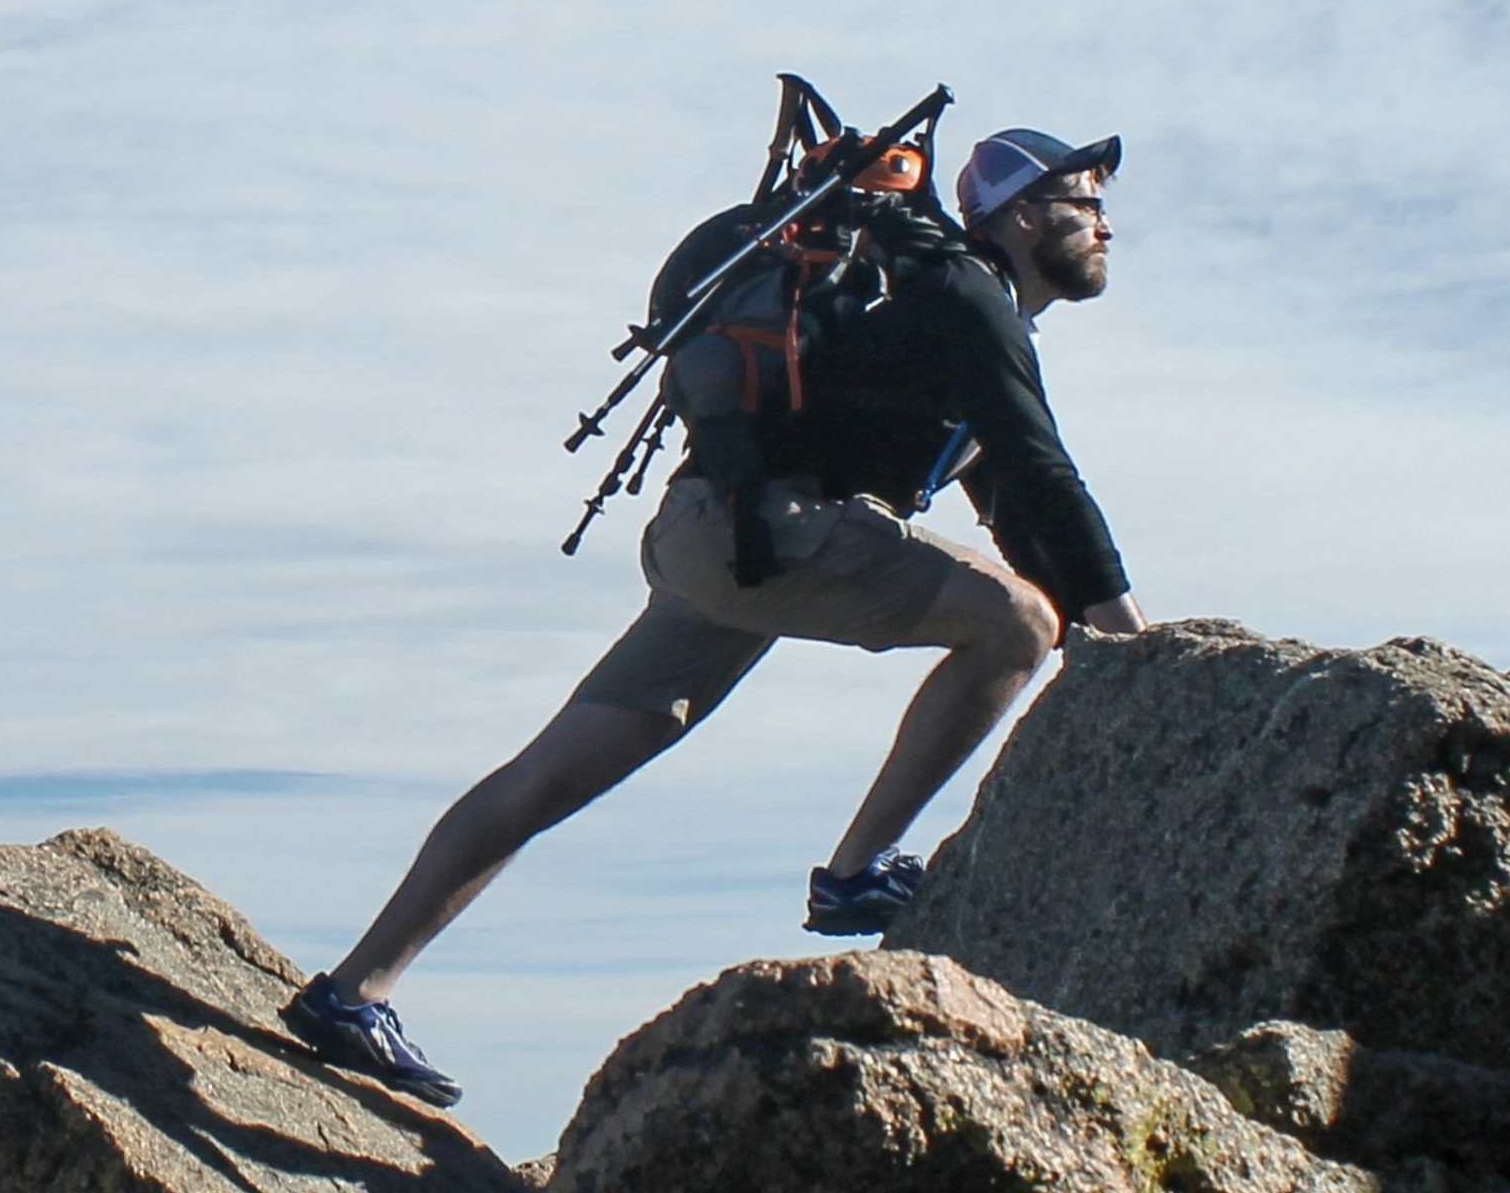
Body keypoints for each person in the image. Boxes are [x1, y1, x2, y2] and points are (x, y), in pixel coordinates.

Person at [285, 124, 1147, 1105]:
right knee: (1016, 623)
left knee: (549, 774)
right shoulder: (965, 295)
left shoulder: (951, 304)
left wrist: (1102, 632)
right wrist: (1136, 645)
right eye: (1087, 203)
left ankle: (354, 991)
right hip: (765, 531)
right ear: (1022, 215)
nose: (1106, 225)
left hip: (717, 533)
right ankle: (856, 872)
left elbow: (1019, 506)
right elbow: (1043, 472)